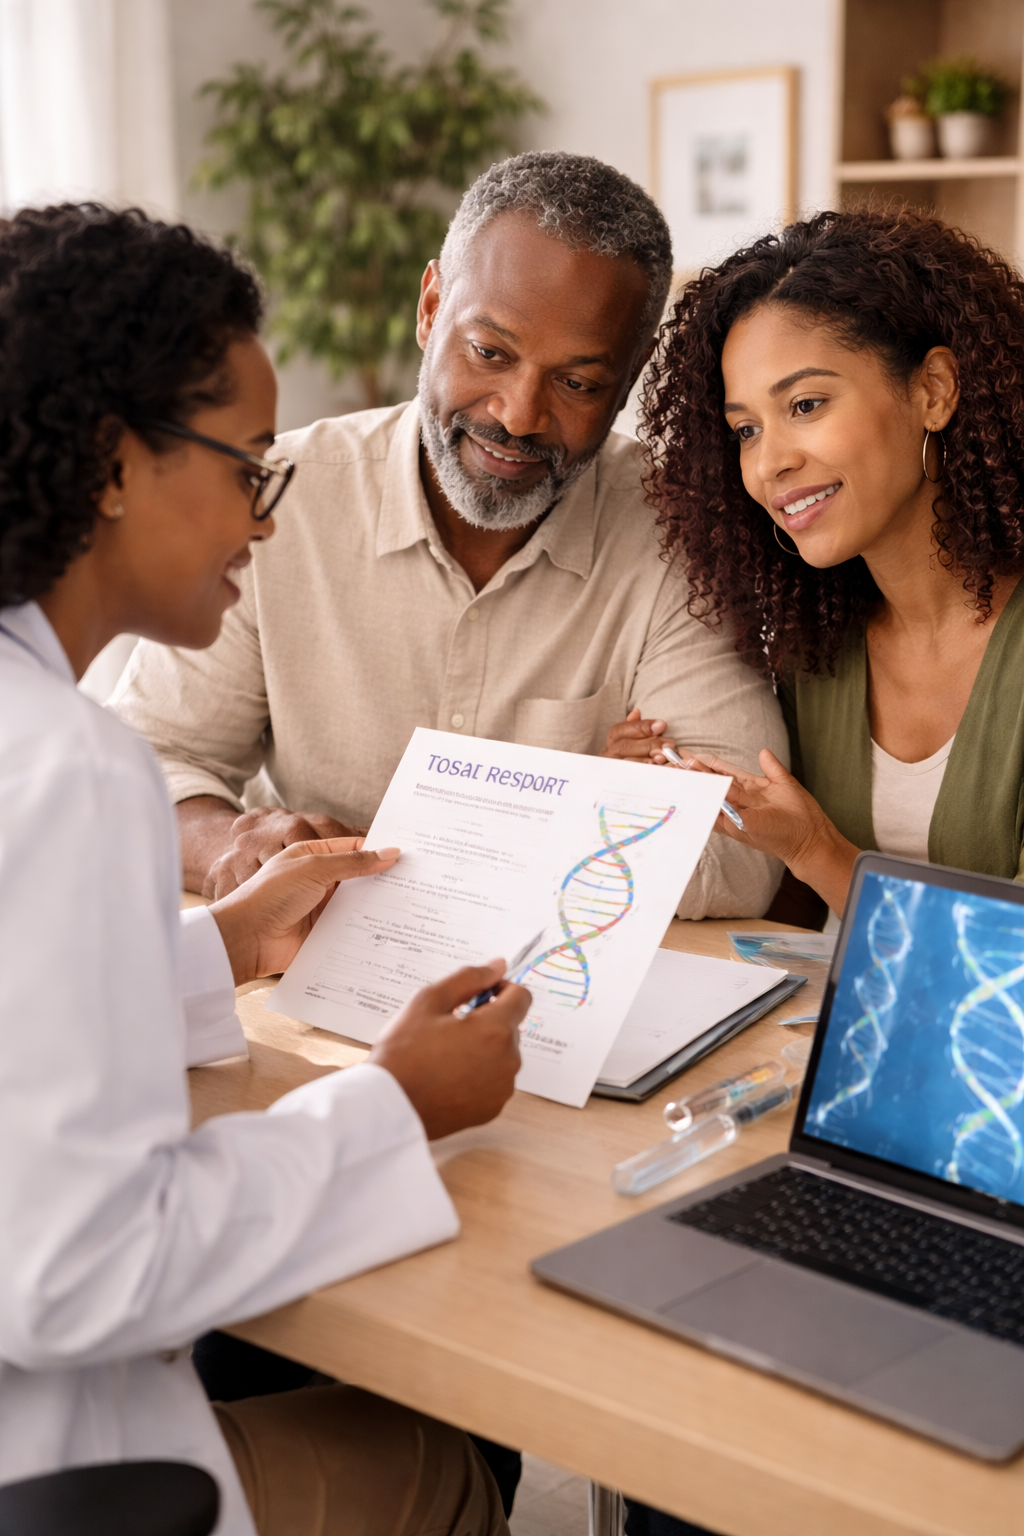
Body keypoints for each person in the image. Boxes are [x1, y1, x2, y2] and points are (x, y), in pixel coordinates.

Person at [0, 202, 531, 1536]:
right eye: (250, 468)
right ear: (116, 464)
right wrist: (395, 1107)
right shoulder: (70, 769)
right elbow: (72, 1275)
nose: (267, 517)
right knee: (446, 1466)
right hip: (49, 1473)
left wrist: (226, 942)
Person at [617, 205, 1024, 1535]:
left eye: (804, 404)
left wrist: (820, 853)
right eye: (741, 427)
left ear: (936, 389)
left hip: (992, 1162)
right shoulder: (819, 644)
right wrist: (691, 804)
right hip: (880, 1140)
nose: (769, 461)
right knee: (681, 1416)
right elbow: (810, 935)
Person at [112, 149, 787, 924]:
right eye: (489, 352)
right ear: (431, 309)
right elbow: (145, 766)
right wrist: (226, 841)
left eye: (577, 382)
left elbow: (743, 852)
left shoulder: (677, 531)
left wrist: (491, 841)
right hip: (300, 968)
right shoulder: (280, 498)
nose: (517, 414)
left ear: (630, 380)